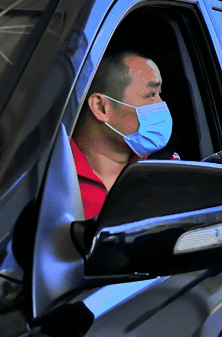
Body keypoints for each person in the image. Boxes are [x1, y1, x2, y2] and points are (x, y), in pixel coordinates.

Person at [70, 50, 175, 219]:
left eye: (159, 94)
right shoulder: (49, 173)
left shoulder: (169, 170)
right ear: (101, 107)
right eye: (151, 95)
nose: (161, 105)